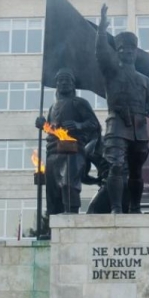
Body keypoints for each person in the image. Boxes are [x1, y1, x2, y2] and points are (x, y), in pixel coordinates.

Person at [96, 4, 149, 214]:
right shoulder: (111, 72)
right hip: (118, 126)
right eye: (123, 49)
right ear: (118, 52)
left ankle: (136, 207)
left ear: (135, 53)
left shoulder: (144, 80)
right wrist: (102, 29)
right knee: (116, 167)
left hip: (139, 129)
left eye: (131, 50)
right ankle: (116, 207)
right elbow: (101, 52)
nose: (127, 53)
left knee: (137, 172)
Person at [35, 68, 100, 215]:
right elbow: (53, 130)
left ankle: (71, 217)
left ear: (73, 84)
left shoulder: (79, 103)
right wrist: (43, 125)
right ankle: (52, 224)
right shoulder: (52, 107)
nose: (63, 83)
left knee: (68, 183)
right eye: (60, 81)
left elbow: (94, 124)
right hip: (53, 152)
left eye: (67, 80)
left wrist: (78, 125)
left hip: (72, 151)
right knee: (52, 191)